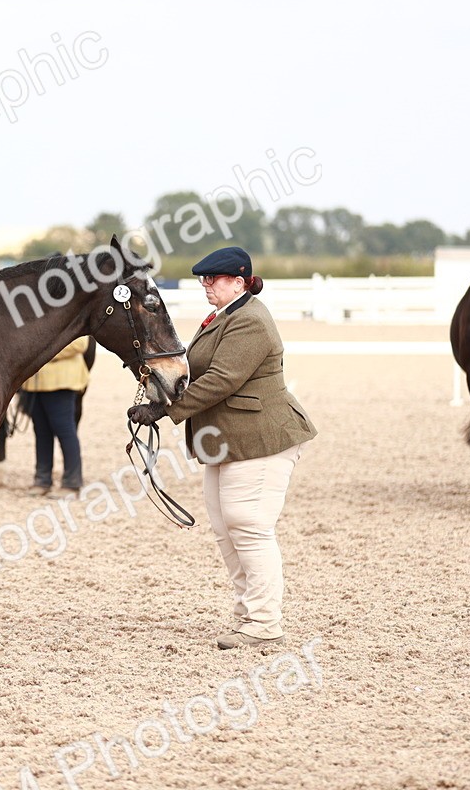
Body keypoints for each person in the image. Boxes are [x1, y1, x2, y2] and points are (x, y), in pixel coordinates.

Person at [127, 246, 316, 650]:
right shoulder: (224, 316)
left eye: (213, 279)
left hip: (261, 438)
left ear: (239, 281)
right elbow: (194, 368)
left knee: (248, 524)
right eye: (204, 279)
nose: (205, 285)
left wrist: (164, 409)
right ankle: (249, 612)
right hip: (228, 439)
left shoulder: (250, 321)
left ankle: (265, 621)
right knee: (225, 528)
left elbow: (222, 379)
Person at [20, 337, 90, 496]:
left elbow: (80, 344)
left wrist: (42, 350)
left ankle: (72, 483)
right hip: (35, 383)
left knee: (65, 430)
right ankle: (42, 479)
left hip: (61, 381)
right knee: (41, 432)